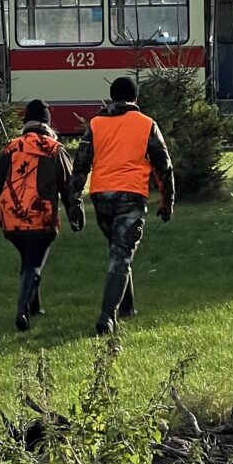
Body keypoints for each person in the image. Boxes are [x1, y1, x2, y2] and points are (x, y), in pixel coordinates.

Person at [71, 77, 175, 336]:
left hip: (101, 197)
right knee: (121, 256)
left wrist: (75, 199)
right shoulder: (146, 124)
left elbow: (81, 164)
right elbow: (164, 166)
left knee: (118, 251)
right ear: (135, 98)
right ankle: (107, 316)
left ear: (112, 97)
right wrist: (167, 201)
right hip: (131, 195)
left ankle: (127, 308)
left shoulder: (96, 124)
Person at [0, 99, 84, 332]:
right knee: (33, 265)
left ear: (26, 122)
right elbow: (69, 186)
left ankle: (35, 308)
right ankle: (23, 311)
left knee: (28, 260)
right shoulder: (54, 149)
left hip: (10, 219)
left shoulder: (11, 147)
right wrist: (75, 213)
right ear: (47, 124)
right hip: (40, 218)